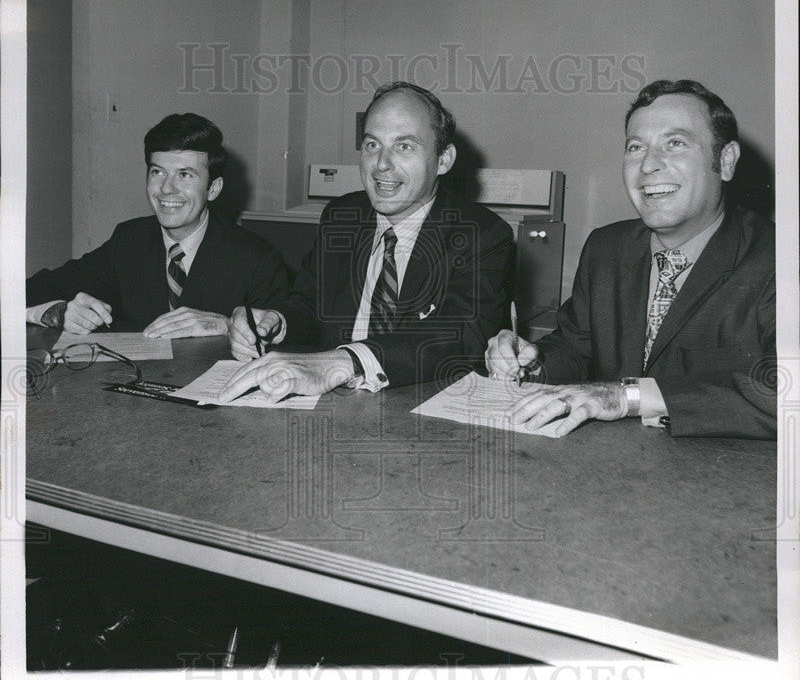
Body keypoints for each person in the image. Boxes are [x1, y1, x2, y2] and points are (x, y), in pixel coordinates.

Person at [485, 79, 776, 440]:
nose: (649, 165)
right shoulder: (606, 248)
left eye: (675, 143)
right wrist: (530, 362)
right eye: (636, 147)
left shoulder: (780, 260)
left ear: (726, 160)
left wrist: (628, 396)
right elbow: (575, 348)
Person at [221, 82, 514, 402]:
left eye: (404, 147)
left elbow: (459, 338)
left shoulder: (481, 234)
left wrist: (347, 362)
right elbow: (310, 304)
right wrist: (278, 321)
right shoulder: (342, 216)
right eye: (372, 145)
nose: (382, 164)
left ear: (443, 159)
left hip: (418, 411)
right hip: (329, 403)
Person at [26, 113, 289, 336]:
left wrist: (228, 326)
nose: (166, 188)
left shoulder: (256, 258)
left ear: (213, 188)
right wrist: (59, 313)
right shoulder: (129, 240)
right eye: (157, 172)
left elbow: (293, 335)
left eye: (184, 175)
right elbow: (30, 290)